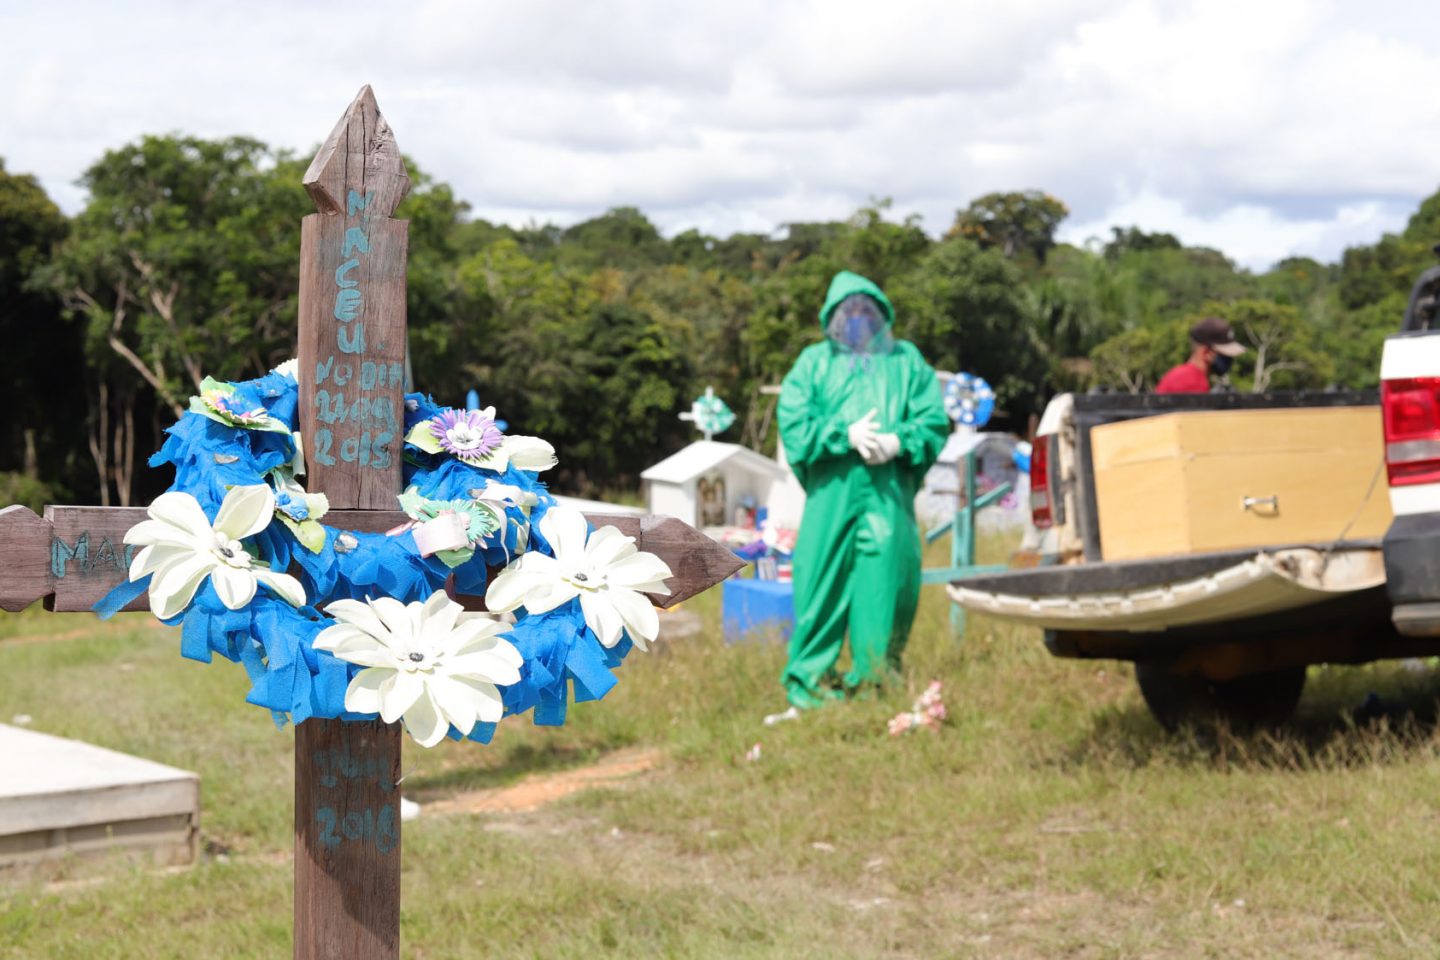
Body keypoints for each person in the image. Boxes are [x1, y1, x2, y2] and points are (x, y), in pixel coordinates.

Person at [774, 271, 950, 713]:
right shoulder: (814, 363)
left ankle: (877, 682)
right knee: (819, 584)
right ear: (831, 316)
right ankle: (810, 683)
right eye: (846, 310)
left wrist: (899, 441)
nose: (856, 318)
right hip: (831, 496)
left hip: (887, 497)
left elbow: (932, 420)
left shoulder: (906, 361)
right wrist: (841, 435)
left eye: (866, 308)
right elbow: (794, 423)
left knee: (885, 585)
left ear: (882, 313)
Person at [1155, 316, 1246, 394]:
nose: (1229, 359)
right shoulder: (1191, 381)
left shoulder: (1186, 375)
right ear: (1205, 352)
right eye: (1223, 354)